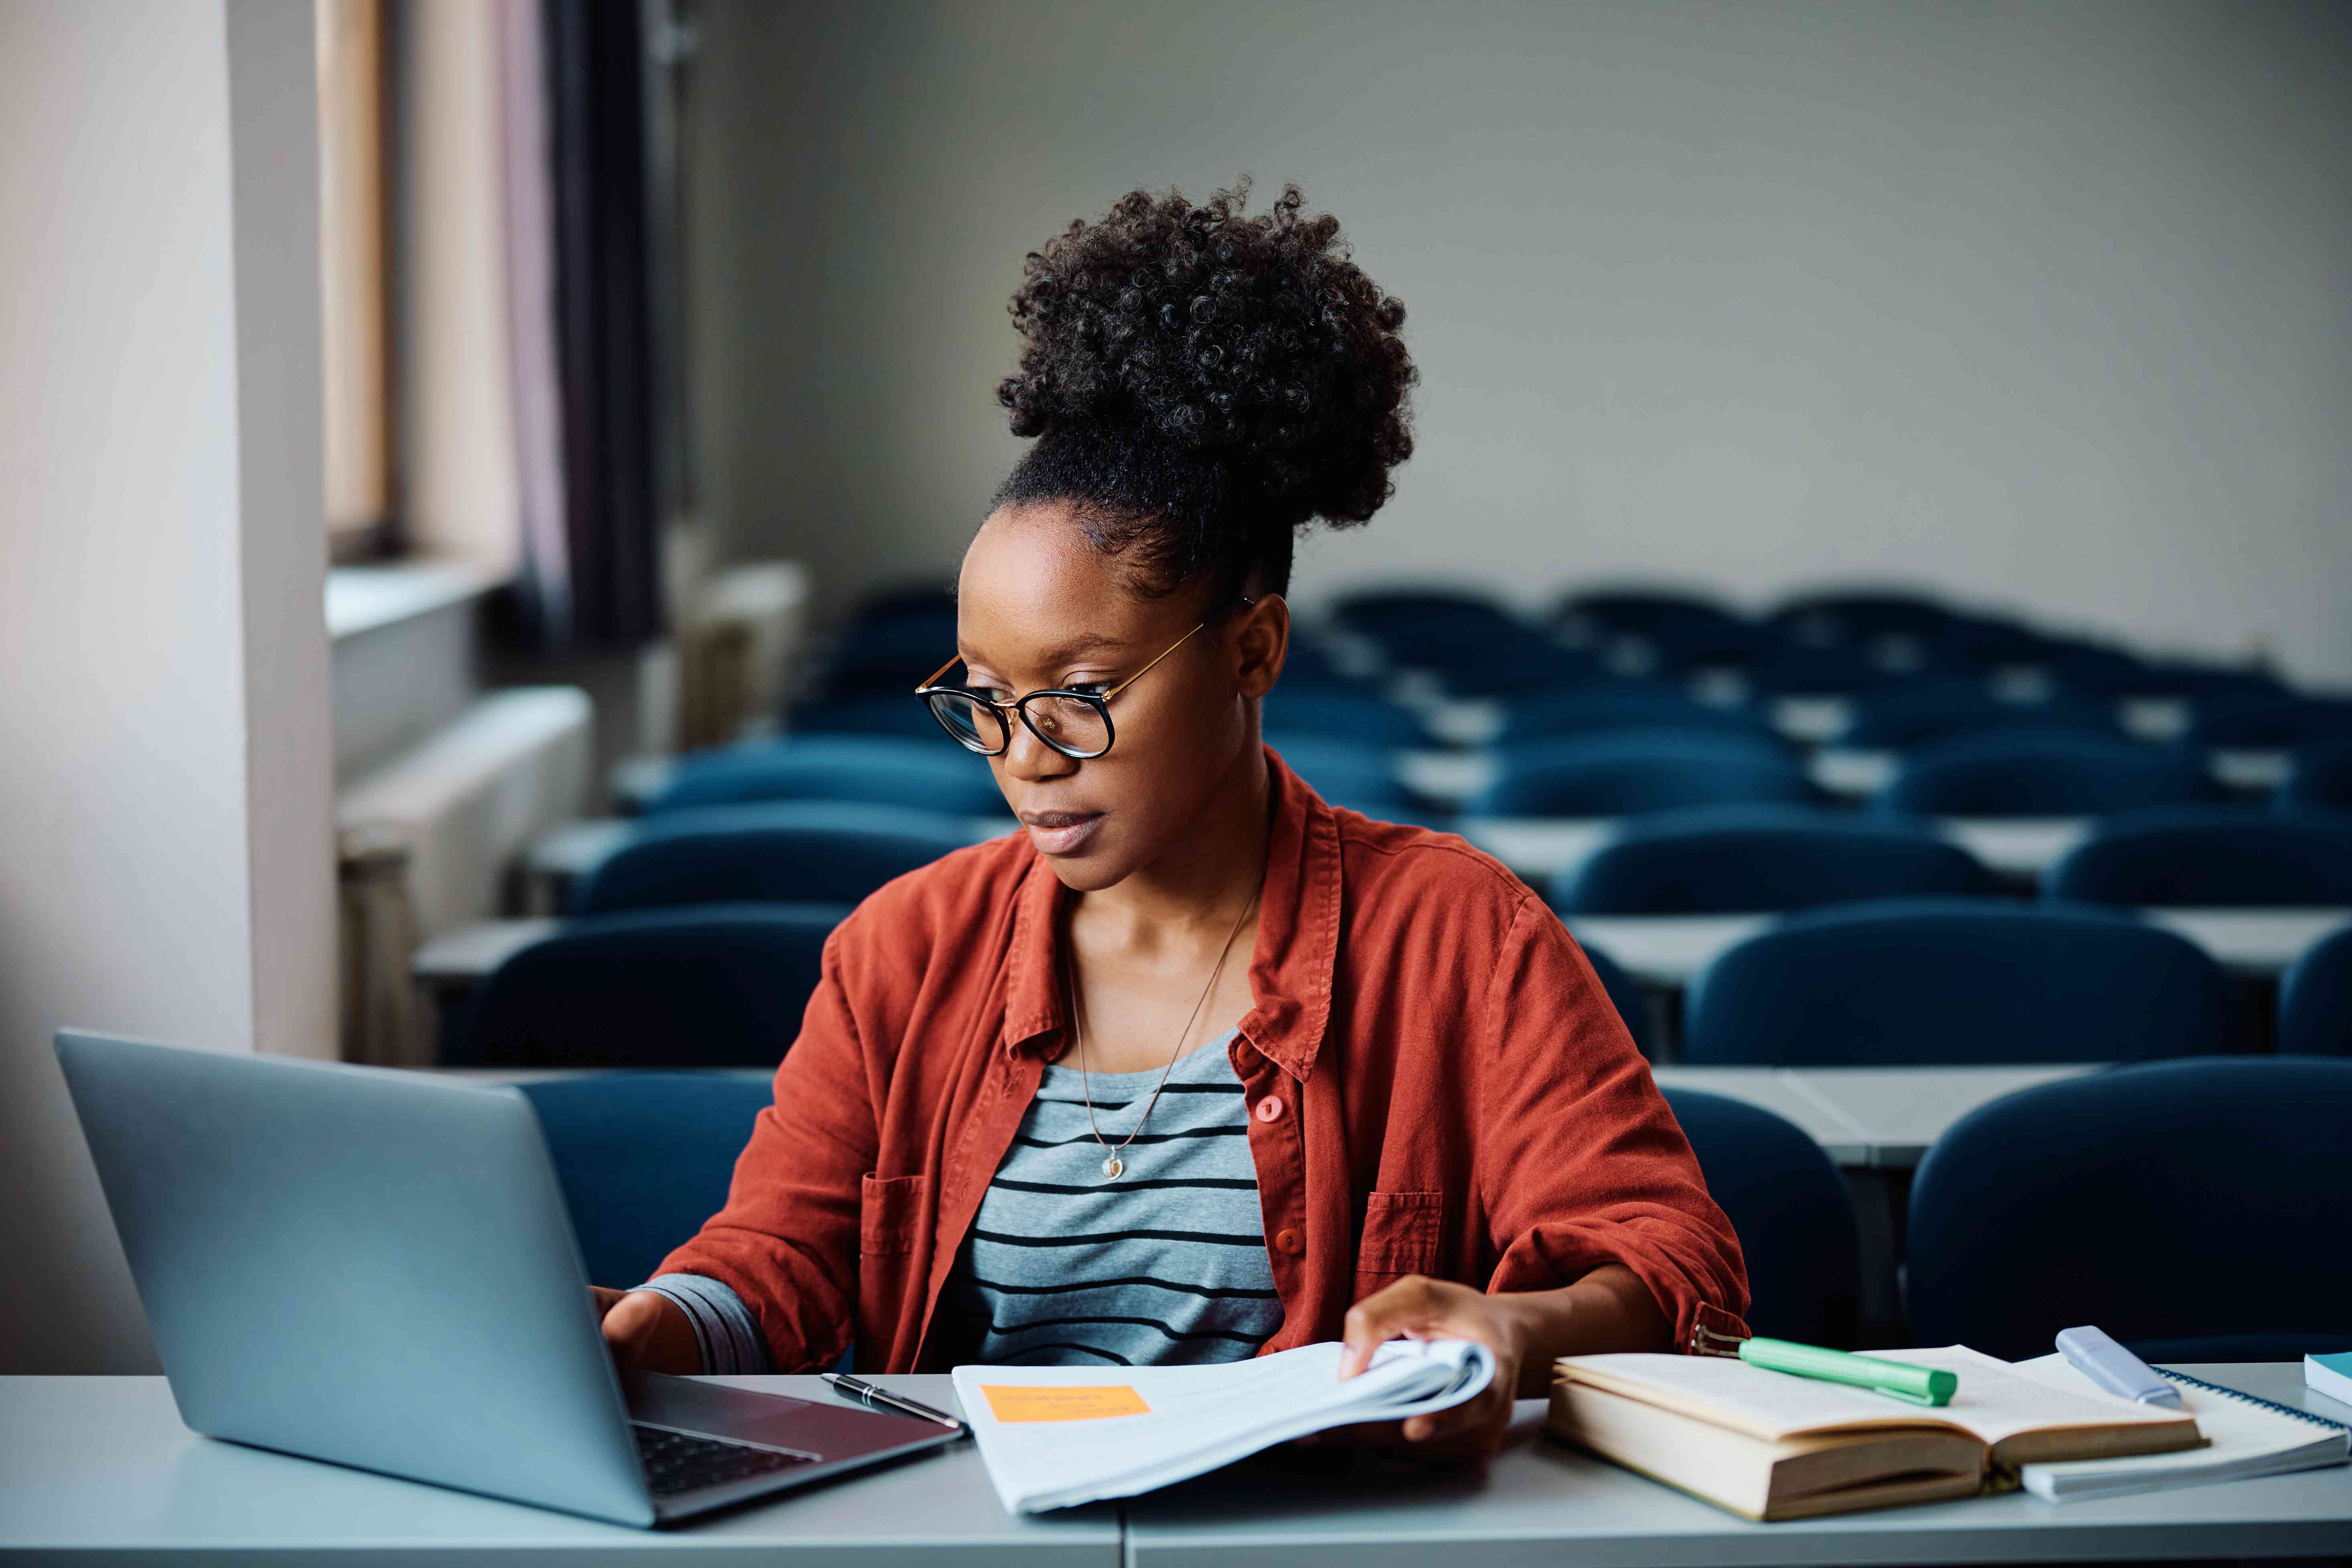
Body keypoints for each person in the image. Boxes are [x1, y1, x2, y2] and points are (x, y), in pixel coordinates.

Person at [594, 180, 1748, 1456]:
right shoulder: (903, 951)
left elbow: (1669, 1257)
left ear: (1251, 652)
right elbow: (780, 1261)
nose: (1023, 761)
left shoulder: (1457, 935)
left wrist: (1517, 1331)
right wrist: (659, 1323)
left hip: (1323, 1542)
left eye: (1080, 697)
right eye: (982, 698)